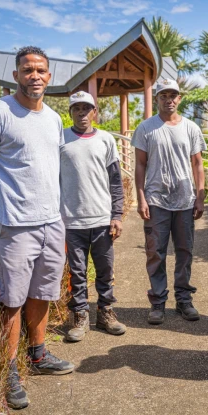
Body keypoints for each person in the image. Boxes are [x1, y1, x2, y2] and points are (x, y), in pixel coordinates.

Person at [0, 46, 73, 410]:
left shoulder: (54, 119)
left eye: (41, 70)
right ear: (15, 75)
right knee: (10, 300)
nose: (35, 76)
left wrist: (60, 218)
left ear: (49, 76)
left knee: (43, 292)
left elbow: (50, 169)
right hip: (13, 225)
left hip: (50, 222)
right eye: (27, 70)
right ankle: (9, 369)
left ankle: (39, 354)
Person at [131, 78, 207, 325]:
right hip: (156, 200)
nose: (169, 99)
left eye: (173, 95)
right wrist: (141, 197)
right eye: (164, 95)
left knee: (185, 251)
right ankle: (158, 302)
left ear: (180, 98)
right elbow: (140, 164)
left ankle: (184, 300)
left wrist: (200, 196)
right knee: (156, 252)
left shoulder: (190, 128)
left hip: (185, 200)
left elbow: (197, 163)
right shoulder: (146, 128)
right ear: (157, 98)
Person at [61, 91, 127, 342]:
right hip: (71, 220)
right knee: (76, 272)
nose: (82, 113)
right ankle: (79, 315)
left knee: (105, 270)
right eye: (76, 108)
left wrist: (117, 214)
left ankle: (105, 312)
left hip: (101, 219)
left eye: (86, 108)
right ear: (70, 112)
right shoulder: (61, 139)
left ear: (94, 112)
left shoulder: (106, 140)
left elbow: (115, 181)